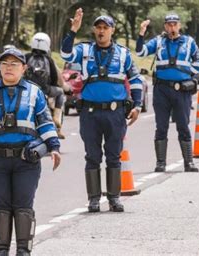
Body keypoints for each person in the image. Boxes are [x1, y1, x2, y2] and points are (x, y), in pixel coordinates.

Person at [0, 48, 61, 256]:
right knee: (1, 209)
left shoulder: (35, 92)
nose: (8, 67)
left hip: (26, 160)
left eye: (14, 64)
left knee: (23, 207)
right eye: (5, 63)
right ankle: (1, 252)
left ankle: (23, 252)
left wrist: (54, 147)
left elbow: (45, 122)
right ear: (0, 67)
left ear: (23, 68)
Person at [61, 9, 143, 213]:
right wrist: (72, 31)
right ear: (94, 30)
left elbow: (134, 80)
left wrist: (138, 105)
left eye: (105, 28)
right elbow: (65, 54)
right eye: (98, 27)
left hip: (115, 113)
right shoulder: (85, 51)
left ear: (112, 30)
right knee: (92, 155)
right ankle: (94, 199)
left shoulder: (124, 53)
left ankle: (114, 197)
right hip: (90, 113)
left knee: (114, 156)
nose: (101, 31)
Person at [136, 13, 199, 173]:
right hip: (161, 90)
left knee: (183, 126)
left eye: (174, 24)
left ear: (179, 26)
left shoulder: (189, 42)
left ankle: (189, 162)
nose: (172, 27)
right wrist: (141, 33)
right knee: (161, 127)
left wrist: (187, 76)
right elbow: (140, 52)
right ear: (165, 26)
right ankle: (160, 163)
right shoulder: (158, 41)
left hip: (182, 91)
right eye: (169, 24)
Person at [25, 32, 67, 139]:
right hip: (44, 90)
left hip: (26, 90)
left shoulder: (26, 57)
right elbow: (54, 78)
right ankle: (56, 117)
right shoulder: (49, 60)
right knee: (61, 92)